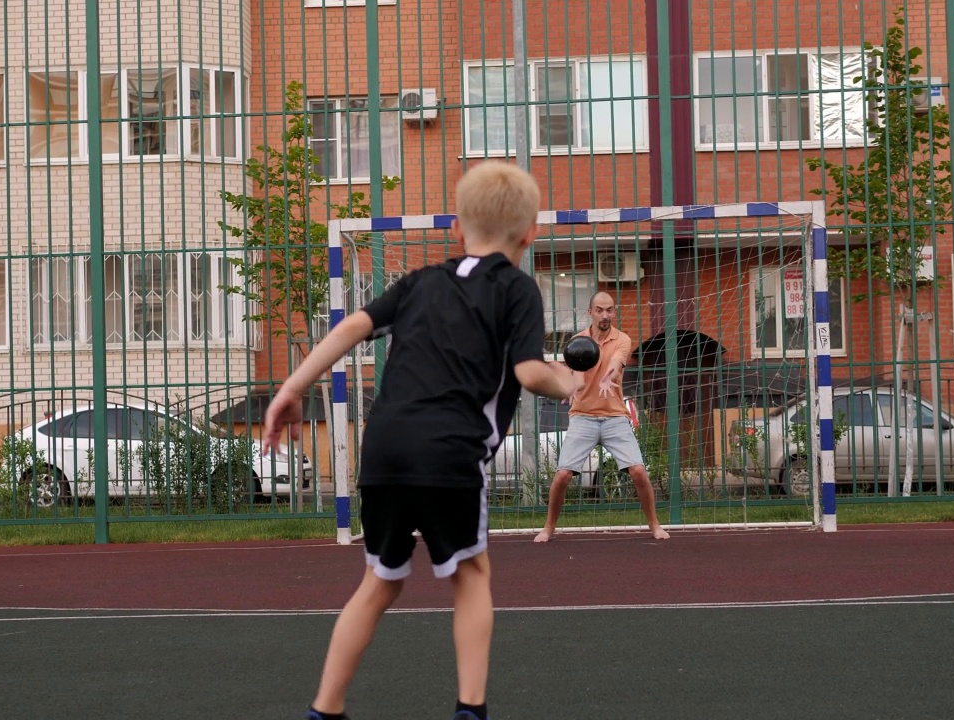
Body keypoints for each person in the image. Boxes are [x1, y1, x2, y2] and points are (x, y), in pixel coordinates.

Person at [261, 161, 584, 720]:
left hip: (383, 449)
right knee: (471, 574)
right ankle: (469, 709)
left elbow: (348, 328)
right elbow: (531, 373)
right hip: (450, 452)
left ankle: (325, 709)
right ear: (529, 234)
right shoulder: (517, 289)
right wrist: (570, 383)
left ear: (457, 229)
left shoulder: (419, 282)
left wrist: (291, 388)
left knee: (378, 583)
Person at [533, 291, 670, 543]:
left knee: (639, 471)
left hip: (614, 418)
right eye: (599, 310)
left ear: (614, 312)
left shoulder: (623, 339)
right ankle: (549, 527)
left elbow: (616, 362)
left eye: (609, 310)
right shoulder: (577, 342)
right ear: (590, 312)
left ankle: (654, 525)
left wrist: (610, 374)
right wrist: (572, 386)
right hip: (583, 416)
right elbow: (578, 377)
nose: (605, 315)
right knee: (563, 475)